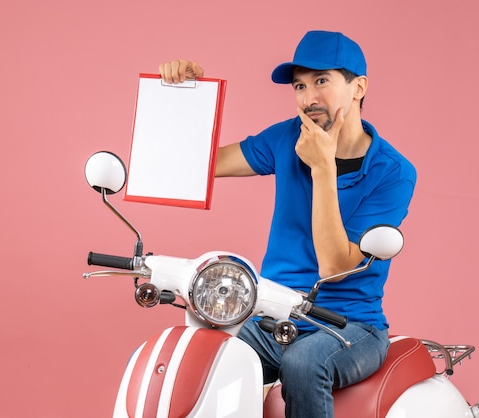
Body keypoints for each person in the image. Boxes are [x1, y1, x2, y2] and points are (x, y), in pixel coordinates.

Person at [159, 30, 416, 418]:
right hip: (272, 312)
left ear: (358, 87)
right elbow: (196, 166)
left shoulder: (393, 172)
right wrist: (187, 98)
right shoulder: (285, 138)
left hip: (350, 326)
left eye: (322, 81)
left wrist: (323, 167)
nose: (308, 97)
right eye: (299, 85)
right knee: (202, 355)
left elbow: (334, 265)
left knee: (303, 363)